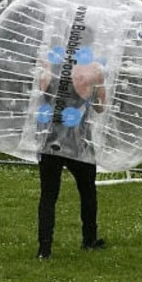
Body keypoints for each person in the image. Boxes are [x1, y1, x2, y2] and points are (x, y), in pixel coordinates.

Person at [36, 58, 106, 259]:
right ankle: (89, 239)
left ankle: (44, 249)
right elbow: (100, 107)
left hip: (51, 141)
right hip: (79, 142)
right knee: (88, 192)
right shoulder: (94, 70)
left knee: (48, 196)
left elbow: (43, 96)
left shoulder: (49, 65)